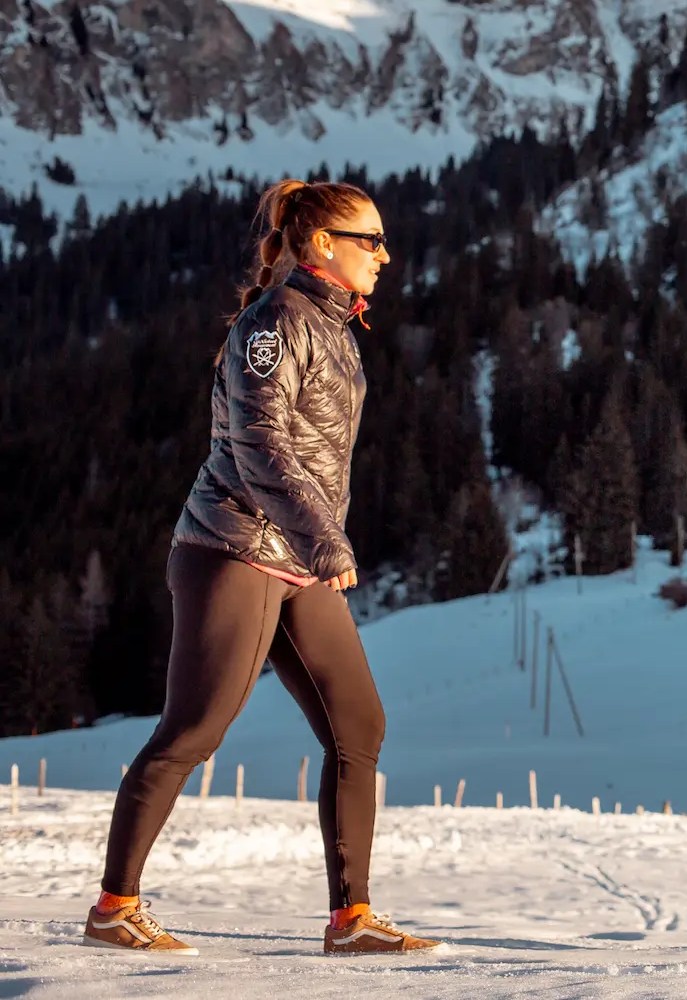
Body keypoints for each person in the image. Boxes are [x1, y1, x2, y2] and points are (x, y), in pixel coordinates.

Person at [84, 179, 439, 956]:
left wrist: (314, 543)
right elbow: (260, 444)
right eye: (368, 239)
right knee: (194, 728)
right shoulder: (273, 322)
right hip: (232, 549)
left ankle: (352, 919)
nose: (384, 253)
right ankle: (114, 906)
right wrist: (325, 538)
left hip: (295, 557)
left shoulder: (336, 326)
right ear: (322, 245)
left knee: (359, 724)